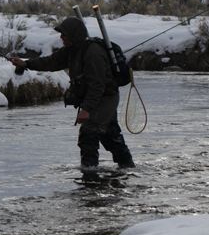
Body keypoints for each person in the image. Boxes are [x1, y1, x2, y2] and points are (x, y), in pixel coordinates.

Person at [7, 17, 135, 170]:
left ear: (73, 34)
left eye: (64, 34)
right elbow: (52, 61)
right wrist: (26, 63)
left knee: (88, 135)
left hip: (104, 99)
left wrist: (86, 109)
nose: (61, 37)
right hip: (98, 99)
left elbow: (97, 85)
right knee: (110, 135)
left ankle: (90, 175)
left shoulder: (92, 53)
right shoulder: (73, 49)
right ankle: (127, 168)